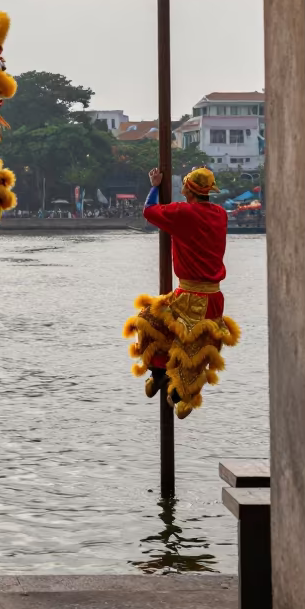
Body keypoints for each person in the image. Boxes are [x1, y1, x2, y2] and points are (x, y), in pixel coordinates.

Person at [123, 166, 240, 419]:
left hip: (195, 297)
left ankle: (179, 395)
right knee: (151, 320)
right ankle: (159, 374)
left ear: (188, 189)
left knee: (191, 350)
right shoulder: (220, 214)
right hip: (196, 295)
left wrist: (155, 186)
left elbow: (149, 211)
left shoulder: (183, 212)